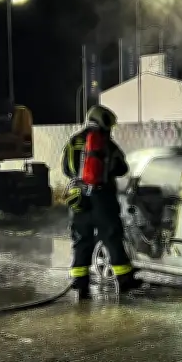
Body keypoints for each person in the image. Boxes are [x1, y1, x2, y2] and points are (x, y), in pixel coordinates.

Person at [61, 105, 141, 298]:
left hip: (78, 198)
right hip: (103, 197)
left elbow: (66, 169)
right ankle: (124, 279)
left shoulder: (74, 141)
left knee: (82, 239)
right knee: (111, 236)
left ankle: (80, 282)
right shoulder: (106, 143)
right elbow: (122, 168)